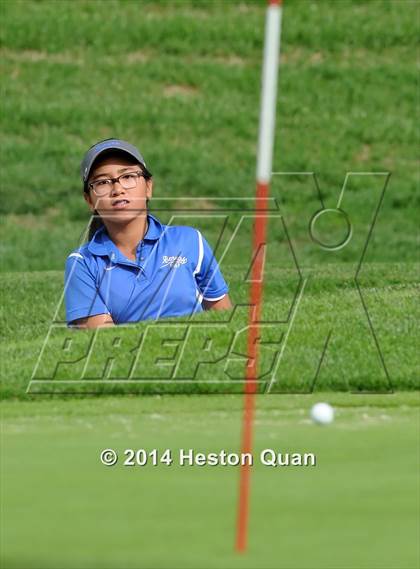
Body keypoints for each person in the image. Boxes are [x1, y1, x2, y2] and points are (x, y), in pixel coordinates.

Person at [64, 138, 232, 329]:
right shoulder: (82, 263)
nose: (117, 189)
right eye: (103, 182)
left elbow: (225, 324)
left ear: (148, 187)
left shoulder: (190, 241)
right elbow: (104, 343)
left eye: (128, 177)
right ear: (89, 200)